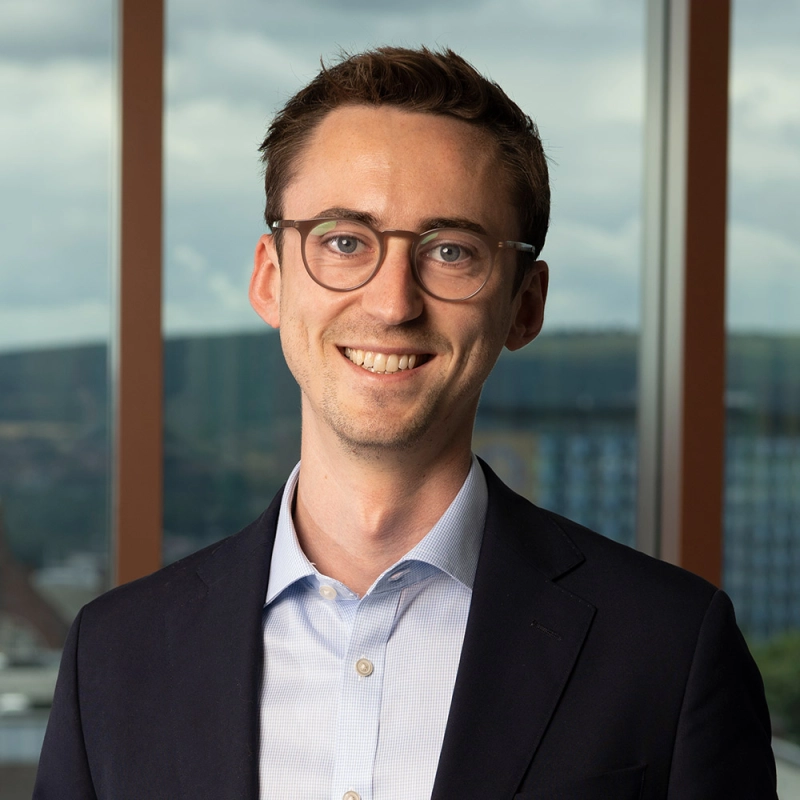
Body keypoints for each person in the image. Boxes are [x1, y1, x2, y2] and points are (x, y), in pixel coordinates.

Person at [35, 47, 776, 800]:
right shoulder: (113, 656)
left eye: (451, 251)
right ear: (270, 279)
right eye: (344, 242)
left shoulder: (669, 649)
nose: (393, 304)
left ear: (525, 305)